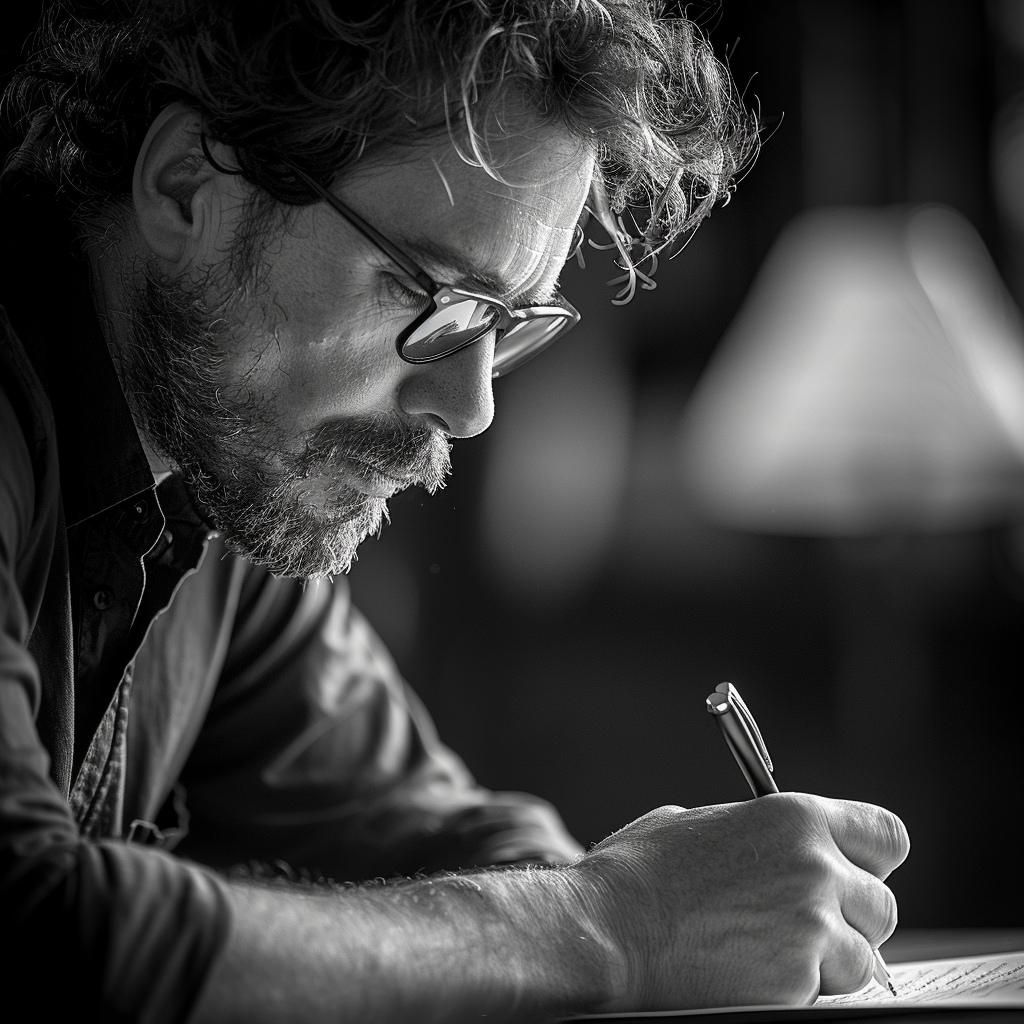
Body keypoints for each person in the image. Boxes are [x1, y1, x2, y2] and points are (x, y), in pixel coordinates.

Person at [0, 2, 909, 1021]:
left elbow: (441, 835)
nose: (472, 408)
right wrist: (615, 925)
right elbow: (33, 930)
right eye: (432, 297)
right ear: (185, 189)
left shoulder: (226, 484)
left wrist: (656, 911)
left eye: (511, 323)